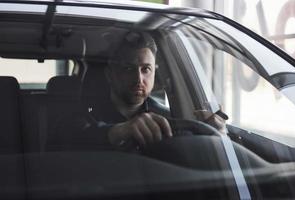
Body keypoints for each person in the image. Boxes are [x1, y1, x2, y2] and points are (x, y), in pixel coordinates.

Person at [48, 31, 227, 151]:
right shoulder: (81, 116)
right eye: (128, 69)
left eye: (146, 69)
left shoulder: (167, 117)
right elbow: (75, 138)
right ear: (110, 74)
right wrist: (118, 132)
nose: (139, 79)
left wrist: (218, 136)